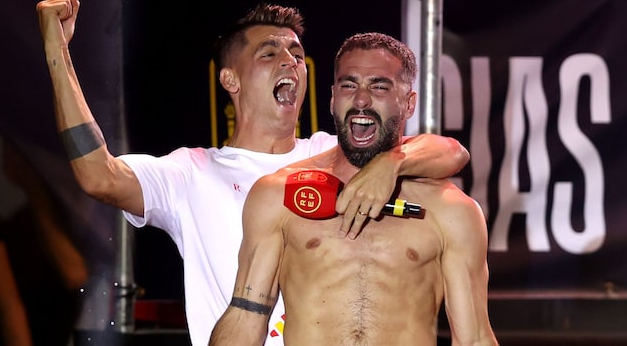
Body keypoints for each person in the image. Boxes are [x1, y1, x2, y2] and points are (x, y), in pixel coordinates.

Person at [36, 0, 470, 345]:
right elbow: (97, 174)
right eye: (270, 53)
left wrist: (392, 163)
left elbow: (450, 152)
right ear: (231, 80)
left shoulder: (335, 152)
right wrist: (57, 53)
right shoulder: (191, 172)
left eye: (297, 54)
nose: (291, 62)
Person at [210, 32, 498, 345]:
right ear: (333, 98)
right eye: (349, 85)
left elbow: (474, 339)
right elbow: (246, 315)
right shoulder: (279, 194)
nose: (361, 99)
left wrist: (391, 165)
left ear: (409, 102)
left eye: (379, 86)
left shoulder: (451, 210)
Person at [0, 122, 89, 346]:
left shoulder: (58, 214)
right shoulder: (14, 224)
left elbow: (75, 275)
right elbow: (9, 310)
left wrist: (32, 183)